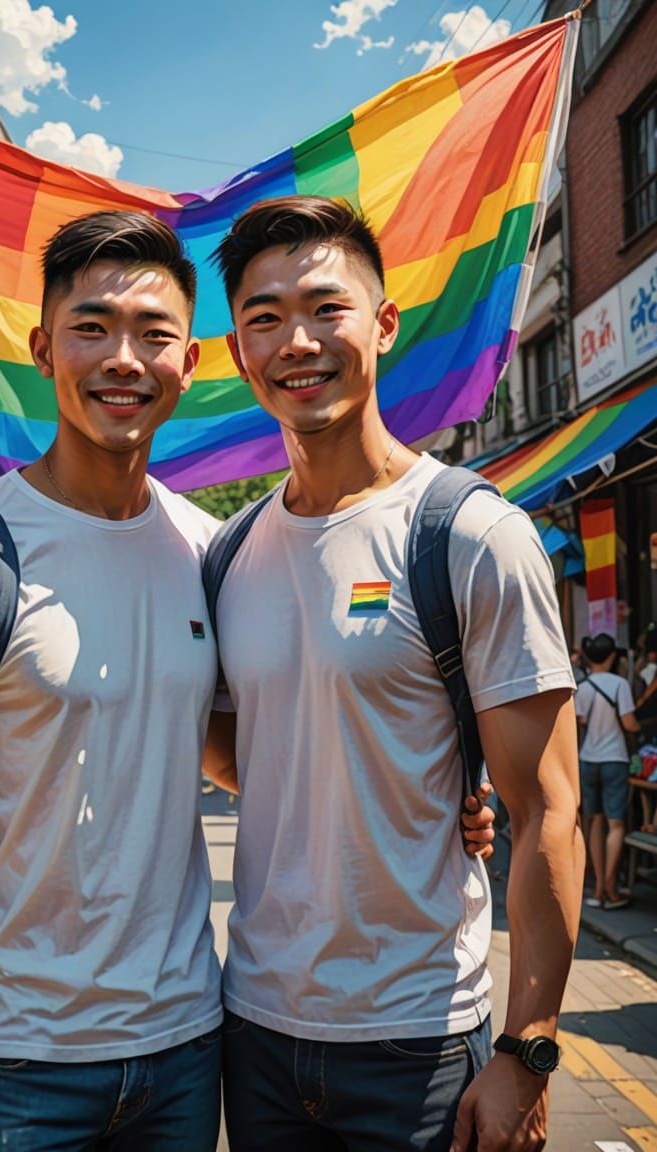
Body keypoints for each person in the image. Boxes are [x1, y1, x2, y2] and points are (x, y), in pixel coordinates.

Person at [204, 196, 584, 1152]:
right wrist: (401, 788)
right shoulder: (229, 552)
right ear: (239, 353)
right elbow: (232, 741)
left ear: (383, 324)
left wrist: (527, 1049)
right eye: (263, 317)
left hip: (418, 1043)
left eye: (326, 308)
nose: (297, 340)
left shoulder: (470, 534)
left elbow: (549, 810)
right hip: (252, 1029)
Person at [0, 211, 227, 1152]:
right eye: (92, 328)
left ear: (192, 360)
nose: (123, 359)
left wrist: (439, 791)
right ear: (41, 348)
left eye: (154, 334)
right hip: (16, 1060)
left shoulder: (212, 553)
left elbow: (241, 755)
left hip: (188, 1048)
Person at [576, 632, 639, 911]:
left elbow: (579, 722)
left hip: (588, 759)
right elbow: (629, 724)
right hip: (615, 760)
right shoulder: (620, 684)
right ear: (612, 656)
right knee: (616, 824)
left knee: (595, 822)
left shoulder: (583, 686)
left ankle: (598, 886)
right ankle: (611, 889)